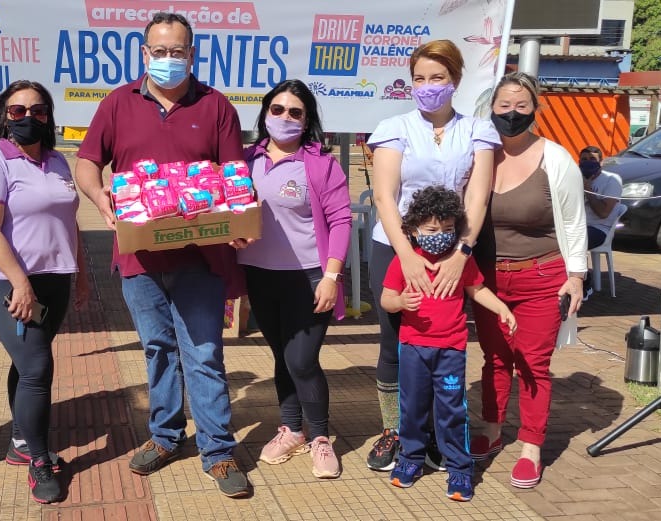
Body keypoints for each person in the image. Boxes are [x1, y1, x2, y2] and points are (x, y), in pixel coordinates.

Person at [74, 12, 251, 498]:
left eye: (179, 51)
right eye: (160, 51)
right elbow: (88, 161)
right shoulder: (118, 103)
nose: (169, 59)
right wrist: (100, 199)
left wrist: (237, 219)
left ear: (192, 54)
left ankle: (217, 451)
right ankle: (166, 436)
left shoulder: (216, 106)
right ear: (144, 53)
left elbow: (235, 174)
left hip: (201, 259)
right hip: (139, 260)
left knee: (205, 354)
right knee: (158, 351)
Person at [365, 39, 499, 472]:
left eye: (437, 78)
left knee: (445, 341)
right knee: (396, 341)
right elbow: (385, 199)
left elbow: (477, 198)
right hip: (396, 247)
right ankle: (397, 432)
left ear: (455, 81)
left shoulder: (478, 130)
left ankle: (440, 436)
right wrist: (405, 254)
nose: (427, 86)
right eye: (419, 78)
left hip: (452, 251)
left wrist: (462, 251)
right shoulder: (394, 127)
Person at [0, 79, 89, 504]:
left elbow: (69, 221)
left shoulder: (57, 161)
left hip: (55, 279)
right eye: (17, 111)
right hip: (11, 282)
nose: (28, 118)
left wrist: (83, 274)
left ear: (48, 117)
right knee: (38, 367)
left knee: (27, 364)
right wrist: (20, 283)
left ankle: (21, 441)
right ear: (4, 116)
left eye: (38, 111)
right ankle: (39, 460)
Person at [471, 72, 587, 489]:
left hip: (542, 277)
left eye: (522, 106)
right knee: (495, 359)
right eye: (504, 105)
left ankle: (531, 445)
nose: (512, 114)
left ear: (535, 110)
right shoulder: (480, 155)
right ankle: (491, 427)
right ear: (492, 108)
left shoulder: (555, 158)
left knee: (533, 363)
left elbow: (574, 222)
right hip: (488, 283)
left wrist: (576, 276)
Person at [236, 79, 351, 479]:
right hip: (260, 276)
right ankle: (292, 429)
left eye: (295, 112)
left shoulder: (320, 164)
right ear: (265, 113)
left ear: (307, 121)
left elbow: (340, 220)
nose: (285, 118)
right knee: (282, 356)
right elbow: (229, 210)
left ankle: (320, 437)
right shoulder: (244, 159)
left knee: (302, 360)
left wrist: (332, 276)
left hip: (309, 277)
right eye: (278, 109)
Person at [380, 185, 517, 502]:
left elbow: (478, 291)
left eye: (447, 229)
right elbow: (386, 299)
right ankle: (410, 461)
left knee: (452, 412)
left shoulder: (460, 262)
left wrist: (502, 309)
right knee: (411, 410)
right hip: (413, 346)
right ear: (413, 229)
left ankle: (459, 469)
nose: (439, 234)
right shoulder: (405, 261)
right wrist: (401, 300)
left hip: (451, 349)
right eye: (431, 229)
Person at [579, 146, 622, 250]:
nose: (588, 162)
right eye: (584, 159)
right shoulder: (575, 177)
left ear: (601, 162)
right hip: (577, 226)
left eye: (592, 159)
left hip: (598, 229)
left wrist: (588, 189)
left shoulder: (612, 180)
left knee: (569, 242)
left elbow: (603, 213)